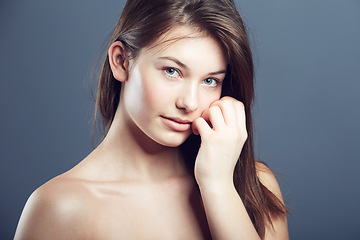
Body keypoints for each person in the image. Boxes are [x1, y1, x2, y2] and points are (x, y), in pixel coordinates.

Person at [14, 0, 289, 239]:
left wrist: (217, 185)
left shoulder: (253, 186)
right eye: (172, 71)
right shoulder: (60, 208)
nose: (190, 103)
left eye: (209, 80)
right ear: (121, 61)